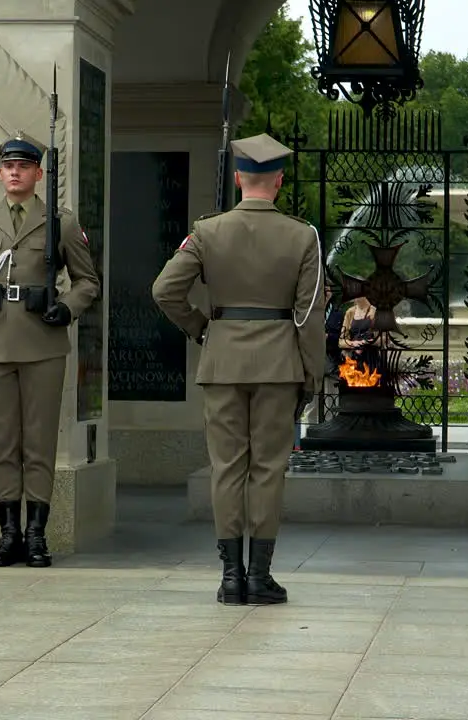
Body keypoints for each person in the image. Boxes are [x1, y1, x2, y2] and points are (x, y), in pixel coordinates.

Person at [152, 132, 326, 606]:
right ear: (280, 181)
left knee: (226, 468)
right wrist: (312, 373)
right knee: (268, 469)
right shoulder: (302, 235)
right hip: (278, 364)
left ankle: (231, 576)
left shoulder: (206, 231)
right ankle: (260, 576)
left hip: (223, 359)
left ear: (237, 179)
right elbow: (309, 313)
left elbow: (164, 290)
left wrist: (203, 330)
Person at [0, 134, 100, 569]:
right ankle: (8, 533)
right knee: (4, 443)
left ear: (39, 173)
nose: (14, 171)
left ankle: (36, 534)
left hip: (42, 343)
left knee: (38, 443)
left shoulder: (61, 222)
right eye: (7, 165)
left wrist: (66, 308)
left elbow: (88, 282)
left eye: (23, 166)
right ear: (0, 173)